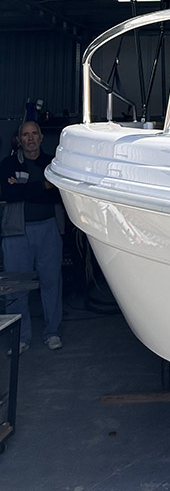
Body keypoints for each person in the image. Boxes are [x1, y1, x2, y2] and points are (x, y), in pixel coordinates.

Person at [0, 121, 66, 352]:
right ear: (19, 139)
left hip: (48, 228)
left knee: (51, 281)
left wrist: (24, 188)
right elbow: (9, 193)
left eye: (34, 134)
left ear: (41, 137)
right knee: (17, 285)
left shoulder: (52, 164)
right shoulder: (8, 164)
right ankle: (20, 337)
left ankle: (52, 332)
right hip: (16, 231)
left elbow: (57, 195)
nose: (30, 138)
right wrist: (44, 186)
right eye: (25, 135)